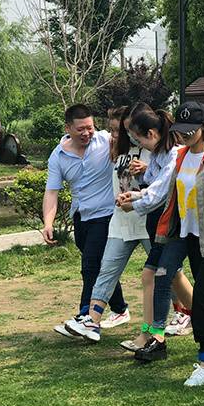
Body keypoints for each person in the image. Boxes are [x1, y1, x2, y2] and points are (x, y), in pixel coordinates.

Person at [136, 102, 204, 374]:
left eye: (190, 130)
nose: (184, 135)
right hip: (184, 233)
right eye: (180, 130)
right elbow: (163, 190)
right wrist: (137, 198)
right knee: (199, 287)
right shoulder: (180, 156)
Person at [64, 106, 151, 341]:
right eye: (113, 130)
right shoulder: (118, 151)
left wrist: (147, 170)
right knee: (106, 270)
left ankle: (186, 312)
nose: (114, 135)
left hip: (147, 221)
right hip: (121, 220)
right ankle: (92, 321)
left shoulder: (153, 150)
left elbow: (165, 180)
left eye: (120, 130)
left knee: (168, 274)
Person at [114, 103, 194, 351]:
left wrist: (133, 204)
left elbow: (159, 194)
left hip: (172, 227)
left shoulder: (174, 155)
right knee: (167, 276)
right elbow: (152, 187)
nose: (137, 144)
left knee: (155, 276)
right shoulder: (161, 155)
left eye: (137, 138)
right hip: (161, 224)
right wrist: (134, 195)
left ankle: (150, 335)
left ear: (150, 133)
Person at [45, 104, 129, 338]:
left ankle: (86, 315)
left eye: (90, 127)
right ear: (68, 128)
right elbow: (52, 191)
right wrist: (48, 223)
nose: (86, 133)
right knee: (100, 265)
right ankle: (120, 308)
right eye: (80, 129)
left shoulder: (106, 141)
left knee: (90, 265)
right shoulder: (58, 155)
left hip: (106, 214)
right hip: (81, 217)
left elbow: (131, 144)